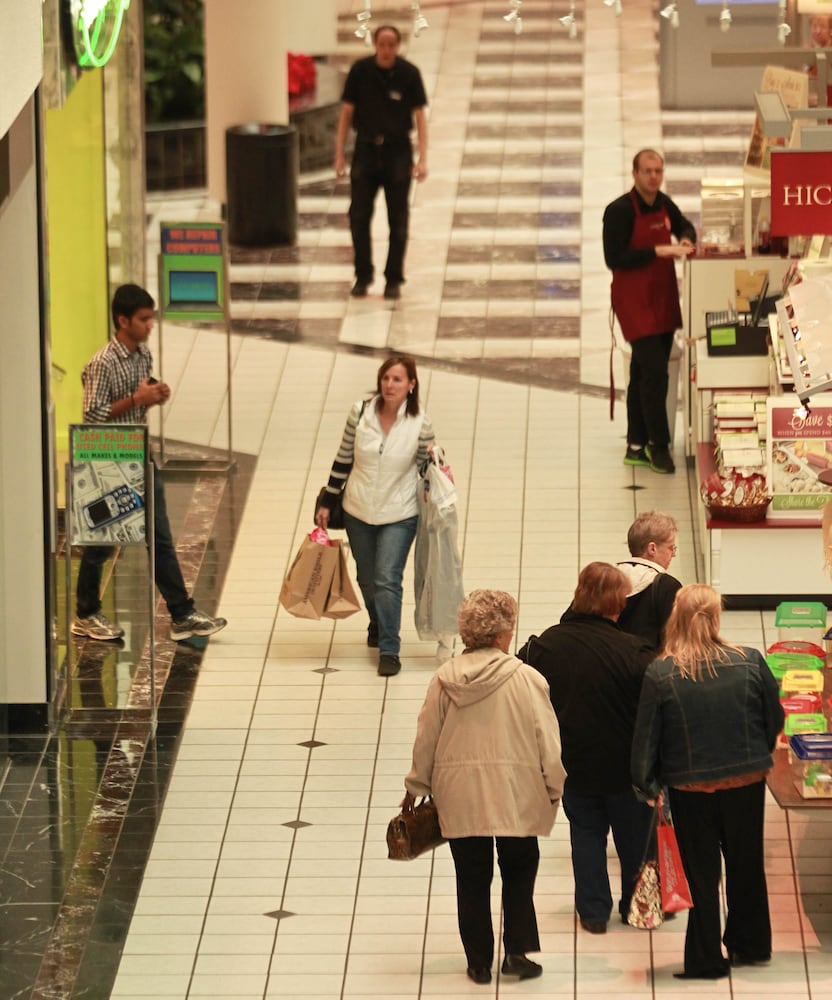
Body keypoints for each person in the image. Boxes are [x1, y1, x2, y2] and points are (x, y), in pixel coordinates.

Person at [405, 590, 565, 986]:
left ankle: (478, 962)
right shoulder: (528, 679)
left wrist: (416, 785)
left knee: (472, 876)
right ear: (502, 634)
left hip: (460, 792)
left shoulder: (444, 679)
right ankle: (517, 953)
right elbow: (549, 740)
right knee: (519, 869)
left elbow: (427, 737)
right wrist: (554, 784)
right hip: (518, 790)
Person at [632, 584, 784, 980]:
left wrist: (646, 785)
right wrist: (757, 752)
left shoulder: (662, 673)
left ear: (675, 619)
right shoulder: (749, 661)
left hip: (690, 787)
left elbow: (647, 737)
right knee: (745, 863)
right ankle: (750, 945)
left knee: (701, 874)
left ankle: (705, 959)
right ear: (716, 618)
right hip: (746, 781)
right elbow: (775, 716)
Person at [71, 284, 227, 643]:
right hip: (109, 462)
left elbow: (135, 402)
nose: (150, 326)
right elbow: (92, 417)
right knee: (101, 541)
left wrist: (152, 397)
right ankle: (86, 613)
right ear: (122, 320)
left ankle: (181, 612)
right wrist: (136, 399)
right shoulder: (102, 363)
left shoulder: (143, 356)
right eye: (143, 320)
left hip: (140, 457)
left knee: (159, 538)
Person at [518, 563, 654, 935]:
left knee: (587, 836)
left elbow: (519, 682)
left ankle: (593, 913)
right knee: (635, 844)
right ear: (617, 604)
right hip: (626, 768)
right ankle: (637, 907)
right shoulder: (634, 651)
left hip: (573, 763)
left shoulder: (546, 645)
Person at [316, 355, 434, 676]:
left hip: (400, 512)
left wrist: (437, 467)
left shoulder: (420, 423)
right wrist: (327, 500)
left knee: (386, 579)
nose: (390, 385)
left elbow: (425, 467)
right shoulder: (360, 413)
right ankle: (378, 620)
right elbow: (342, 458)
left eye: (397, 379)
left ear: (411, 385)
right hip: (357, 508)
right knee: (366, 578)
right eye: (386, 378)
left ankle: (389, 648)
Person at [603, 149, 697, 475]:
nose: (654, 177)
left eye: (658, 171)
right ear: (634, 173)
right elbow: (613, 258)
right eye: (647, 171)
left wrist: (684, 239)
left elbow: (685, 225)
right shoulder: (617, 211)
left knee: (642, 373)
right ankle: (660, 447)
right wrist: (658, 250)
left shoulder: (663, 204)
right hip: (634, 304)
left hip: (662, 299)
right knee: (656, 373)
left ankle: (635, 444)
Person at [334, 24, 428, 301]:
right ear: (375, 45)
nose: (386, 50)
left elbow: (420, 117)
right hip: (365, 149)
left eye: (391, 45)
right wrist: (339, 153)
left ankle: (393, 278)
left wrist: (422, 157)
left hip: (397, 152)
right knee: (358, 216)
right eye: (382, 44)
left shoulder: (409, 75)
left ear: (397, 46)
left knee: (398, 220)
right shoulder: (360, 72)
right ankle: (363, 275)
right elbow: (346, 113)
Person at [616, 511, 682, 650]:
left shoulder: (605, 578)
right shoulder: (668, 587)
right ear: (652, 548)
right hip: (650, 667)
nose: (674, 554)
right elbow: (675, 642)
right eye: (671, 548)